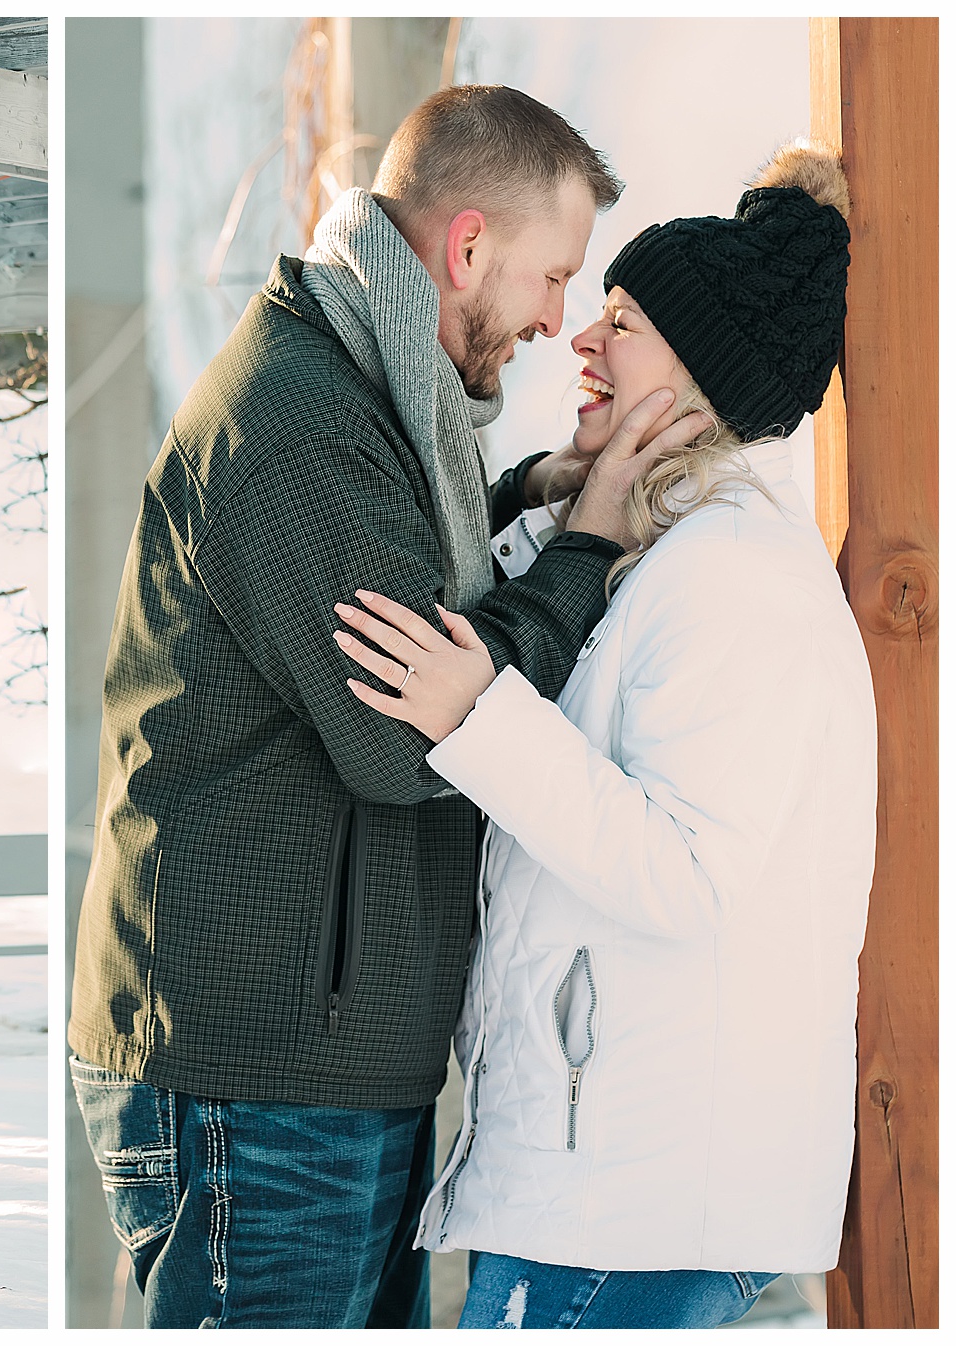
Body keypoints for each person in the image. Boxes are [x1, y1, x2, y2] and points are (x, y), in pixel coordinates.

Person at [67, 84, 710, 1329]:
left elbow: (409, 566)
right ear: (468, 247)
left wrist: (526, 487)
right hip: (252, 1081)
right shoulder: (301, 422)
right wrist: (580, 547)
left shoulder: (363, 396)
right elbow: (413, 734)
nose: (554, 322)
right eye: (551, 277)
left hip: (315, 1063)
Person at [334, 143, 873, 1329]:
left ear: (698, 372)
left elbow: (687, 872)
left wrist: (478, 716)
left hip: (636, 1199)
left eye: (620, 321)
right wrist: (551, 512)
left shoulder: (731, 577)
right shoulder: (667, 550)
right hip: (607, 1185)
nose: (581, 337)